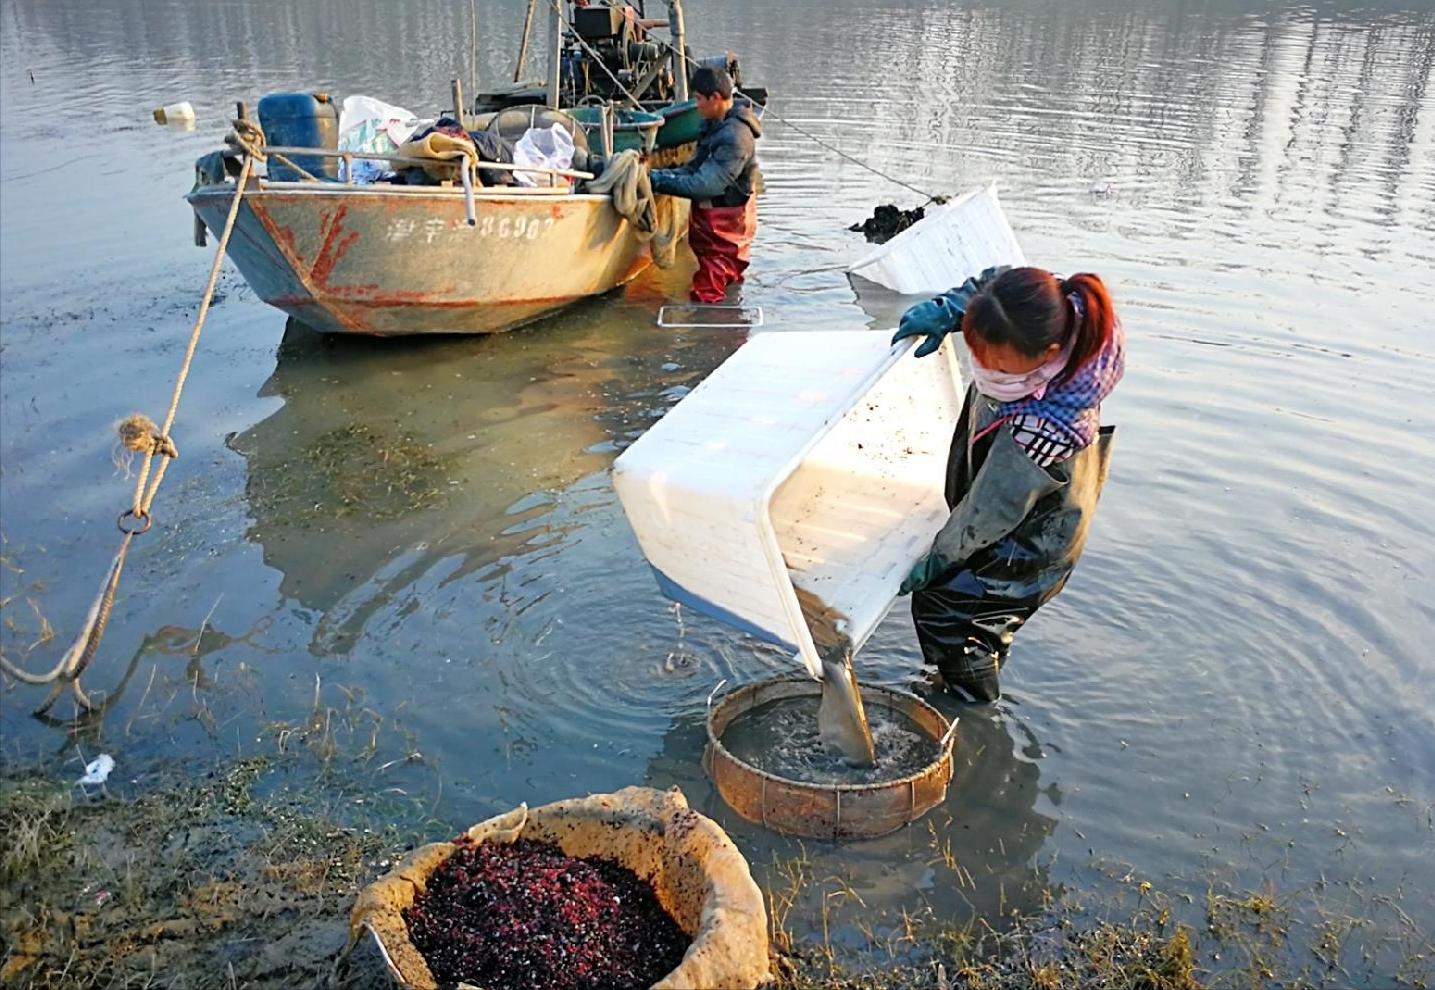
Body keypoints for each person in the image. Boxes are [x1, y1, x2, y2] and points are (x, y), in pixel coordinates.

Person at [892, 266, 1125, 702]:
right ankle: (973, 670)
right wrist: (953, 308)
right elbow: (994, 282)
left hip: (1030, 539)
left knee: (949, 611)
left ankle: (972, 709)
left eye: (996, 360)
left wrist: (935, 560)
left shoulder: (1046, 424)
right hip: (1011, 495)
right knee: (975, 617)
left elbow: (989, 512)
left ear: (1047, 353)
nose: (983, 366)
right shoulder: (1050, 308)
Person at [648, 66, 762, 303]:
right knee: (724, 276)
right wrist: (660, 175)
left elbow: (703, 185)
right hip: (715, 223)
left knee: (708, 289)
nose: (696, 105)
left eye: (699, 99)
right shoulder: (715, 125)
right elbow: (694, 167)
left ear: (716, 98)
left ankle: (714, 334)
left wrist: (655, 181)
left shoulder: (735, 137)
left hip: (726, 225)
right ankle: (732, 320)